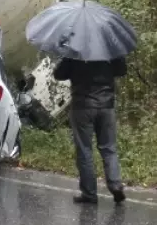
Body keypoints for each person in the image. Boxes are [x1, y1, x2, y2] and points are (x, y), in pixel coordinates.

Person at [53, 56, 128, 204]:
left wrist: (66, 59)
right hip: (106, 105)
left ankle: (89, 193)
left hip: (82, 106)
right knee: (109, 148)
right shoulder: (109, 48)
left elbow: (59, 74)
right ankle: (115, 185)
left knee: (84, 149)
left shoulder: (75, 51)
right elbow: (122, 70)